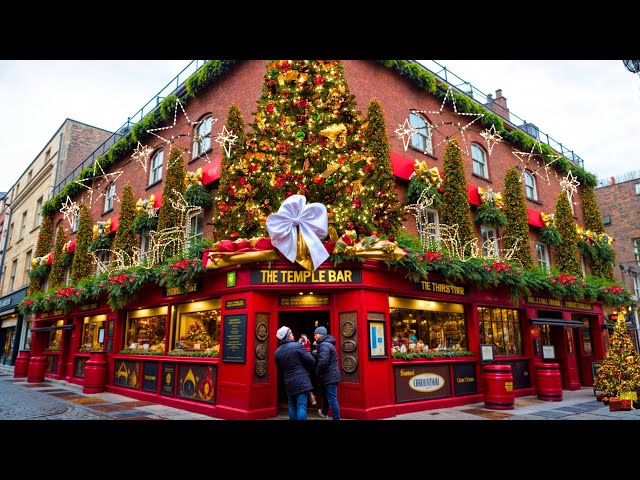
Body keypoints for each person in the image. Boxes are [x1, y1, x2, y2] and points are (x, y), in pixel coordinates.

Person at [274, 326, 316, 420]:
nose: (293, 336)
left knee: (292, 405)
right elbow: (311, 361)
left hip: (288, 381)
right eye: (292, 334)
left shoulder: (277, 352)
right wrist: (307, 349)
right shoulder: (297, 346)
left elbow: (279, 369)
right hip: (301, 380)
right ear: (289, 336)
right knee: (301, 406)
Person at [313, 326, 341, 420]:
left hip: (330, 377)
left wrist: (317, 372)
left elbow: (324, 362)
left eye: (315, 334)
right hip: (329, 376)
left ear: (321, 335)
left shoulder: (324, 345)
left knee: (333, 400)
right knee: (326, 396)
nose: (314, 336)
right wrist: (316, 353)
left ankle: (336, 418)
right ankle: (324, 413)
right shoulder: (327, 344)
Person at [298, 333, 317, 405]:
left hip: (303, 368)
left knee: (304, 381)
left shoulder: (304, 346)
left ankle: (310, 394)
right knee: (306, 381)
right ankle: (310, 394)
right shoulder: (301, 345)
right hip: (304, 368)